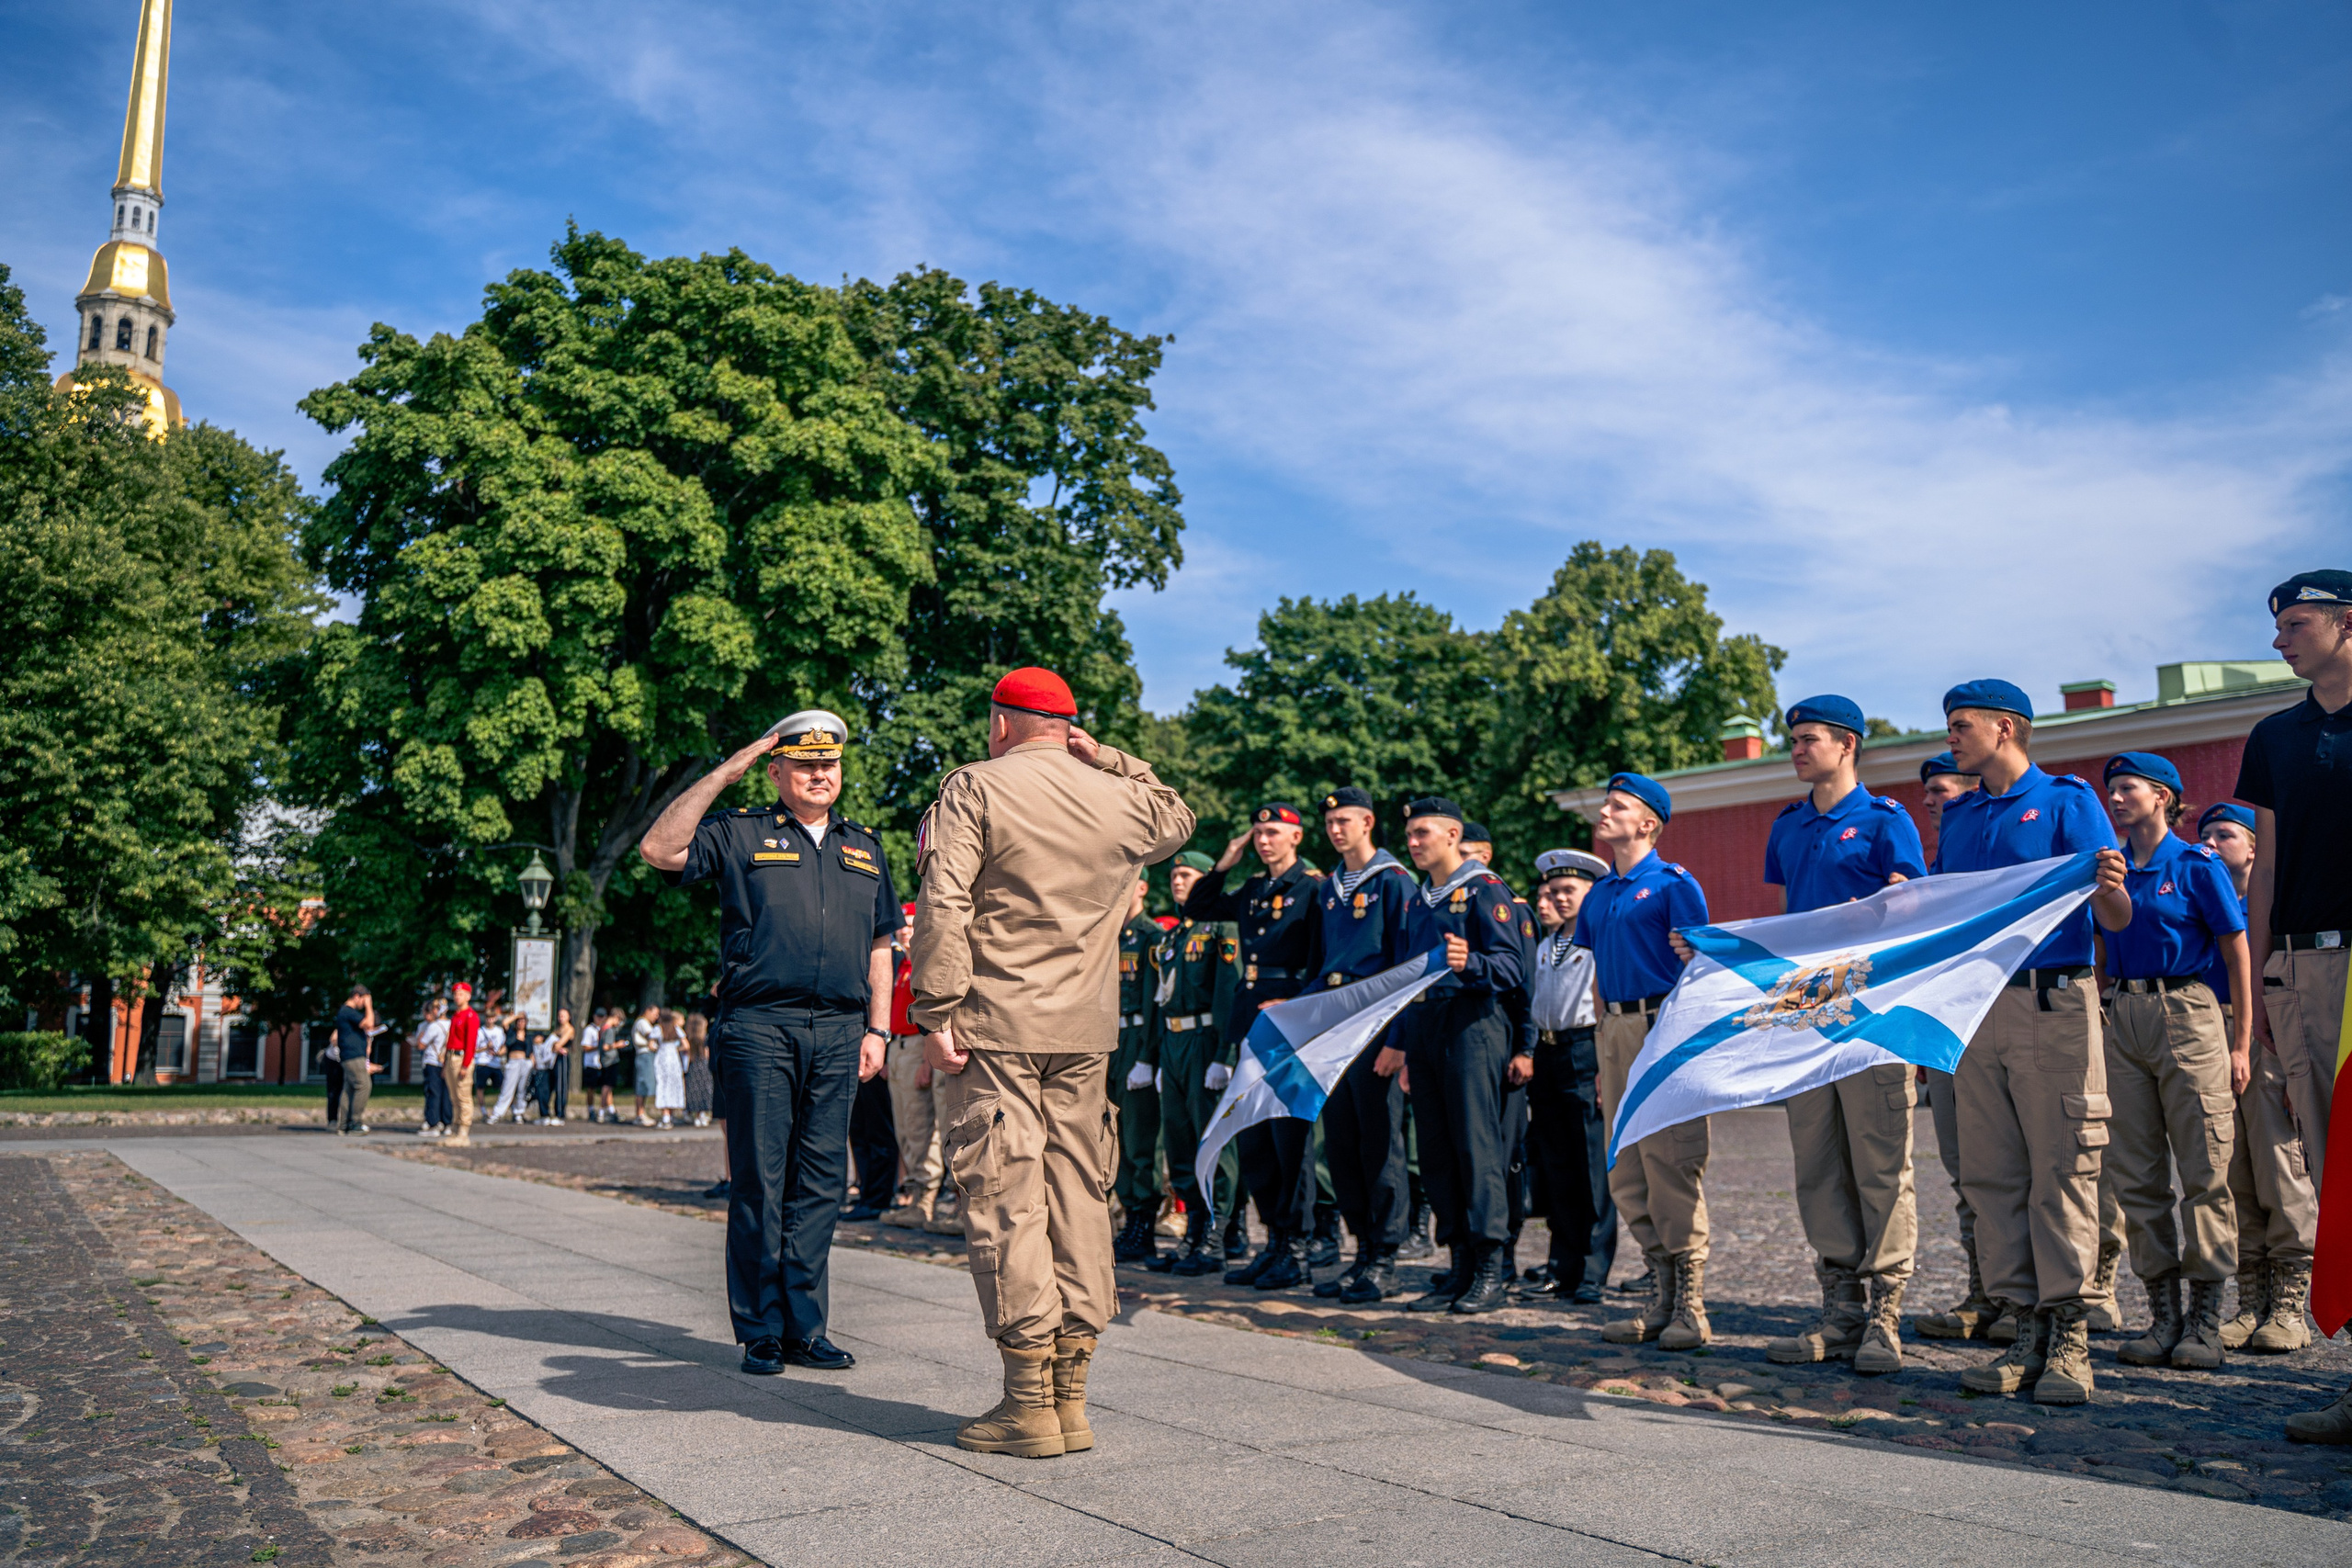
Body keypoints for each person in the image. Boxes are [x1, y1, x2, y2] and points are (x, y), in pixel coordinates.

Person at [909, 666, 1194, 1460]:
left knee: (1005, 1195)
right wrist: (1109, 758)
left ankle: (1027, 1402)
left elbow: (946, 901)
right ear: (1068, 726)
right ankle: (1072, 1398)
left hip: (996, 1022)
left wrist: (934, 1008)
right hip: (1086, 1029)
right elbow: (1178, 815)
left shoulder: (976, 785)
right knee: (1079, 1191)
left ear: (1000, 722)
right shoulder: (1121, 797)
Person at [637, 707, 896, 1376]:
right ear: (776, 769)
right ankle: (759, 1329)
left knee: (821, 1182)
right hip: (759, 1025)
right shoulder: (740, 831)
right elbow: (660, 851)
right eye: (805, 763)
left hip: (840, 1030)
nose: (820, 774)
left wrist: (879, 1028)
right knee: (761, 1179)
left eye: (830, 764)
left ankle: (806, 1327)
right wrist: (726, 771)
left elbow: (880, 946)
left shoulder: (865, 846)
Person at [1930, 679, 2120, 1406]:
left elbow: (2118, 915)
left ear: (2005, 728)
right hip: (1980, 1009)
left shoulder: (2068, 802)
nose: (1950, 738)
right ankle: (2024, 1329)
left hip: (2054, 1001)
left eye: (1960, 725)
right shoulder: (1962, 815)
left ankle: (2070, 1333)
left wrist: (2107, 886)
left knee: (2063, 1168)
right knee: (1993, 1175)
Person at [1733, 696, 1929, 1373]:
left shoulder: (1885, 820)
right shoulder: (1786, 827)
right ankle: (1839, 1310)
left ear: (1847, 744)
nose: (1795, 748)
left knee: (1881, 1164)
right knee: (1818, 1166)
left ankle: (1886, 1314)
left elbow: (1912, 907)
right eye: (1792, 739)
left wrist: (1878, 910)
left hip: (1872, 1015)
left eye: (1807, 738)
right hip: (1807, 1020)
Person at [2237, 570, 2352, 1445]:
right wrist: (2266, 985)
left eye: (2299, 622)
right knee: (2334, 1169)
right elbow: (2265, 867)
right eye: (2278, 625)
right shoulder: (2274, 736)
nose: (2281, 638)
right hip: (2305, 971)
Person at [2089, 751, 2249, 1372]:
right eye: (2113, 789)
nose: (2118, 797)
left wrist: (2239, 1042)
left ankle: (2206, 1320)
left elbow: (2235, 946)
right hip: (2123, 1016)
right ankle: (2164, 1316)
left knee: (2205, 1168)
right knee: (2139, 1175)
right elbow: (2103, 945)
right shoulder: (2110, 869)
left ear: (2163, 796)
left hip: (2188, 1011)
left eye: (2128, 787)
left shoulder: (2196, 864)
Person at [1578, 774, 1712, 1348]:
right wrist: (1603, 1039)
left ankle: (1691, 1305)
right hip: (1614, 1029)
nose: (1604, 812)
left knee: (1671, 1159)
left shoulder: (1673, 884)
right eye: (1606, 803)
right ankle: (1658, 1294)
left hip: (1663, 1026)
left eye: (1618, 806)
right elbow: (1594, 978)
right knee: (1626, 1166)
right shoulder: (1602, 893)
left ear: (1648, 824)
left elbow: (1701, 968)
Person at [1391, 797, 1531, 1316]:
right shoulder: (1419, 899)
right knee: (1436, 1151)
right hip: (1426, 1027)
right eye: (1409, 834)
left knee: (1476, 1148)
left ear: (1453, 835)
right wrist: (1405, 1047)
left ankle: (1491, 1267)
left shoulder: (1484, 890)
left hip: (1473, 1025)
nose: (1414, 842)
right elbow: (1408, 981)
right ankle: (1457, 1266)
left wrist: (1470, 961)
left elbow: (1512, 967)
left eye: (1423, 832)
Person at [1181, 803, 1325, 1291]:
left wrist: (1298, 1002)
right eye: (1258, 833)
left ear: (1296, 838)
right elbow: (1197, 908)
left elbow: (1323, 963)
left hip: (1291, 1022)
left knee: (1290, 1140)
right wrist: (1225, 861)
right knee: (1254, 1137)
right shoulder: (1254, 890)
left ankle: (1298, 1247)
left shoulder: (1313, 888)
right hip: (1251, 1021)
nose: (1263, 841)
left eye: (1273, 833)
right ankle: (1275, 1242)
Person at [2198, 803, 2317, 1353]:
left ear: (2253, 848)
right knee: (2230, 1170)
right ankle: (2251, 1302)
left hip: (2267, 1031)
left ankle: (2291, 1305)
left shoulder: (2274, 900)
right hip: (2208, 1032)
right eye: (2206, 835)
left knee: (2280, 1164)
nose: (2213, 843)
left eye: (2226, 834)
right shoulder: (2199, 895)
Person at [1307, 786, 1419, 1303]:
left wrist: (1398, 1041)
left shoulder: (1394, 882)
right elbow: (1324, 966)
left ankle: (1386, 1255)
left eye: (1345, 820)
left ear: (1369, 822)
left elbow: (1407, 967)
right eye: (1330, 822)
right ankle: (1361, 1248)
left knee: (1381, 1144)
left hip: (1376, 1027)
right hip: (1336, 1027)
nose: (1335, 829)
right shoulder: (1330, 888)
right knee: (1342, 1144)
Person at [1145, 852, 1239, 1276]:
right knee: (1180, 1141)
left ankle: (1217, 1235)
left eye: (1187, 874)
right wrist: (1159, 1057)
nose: (1178, 881)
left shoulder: (1220, 927)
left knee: (1212, 1142)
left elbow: (1229, 992)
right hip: (1174, 1042)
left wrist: (1226, 1055)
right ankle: (1193, 1229)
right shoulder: (1175, 935)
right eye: (1175, 874)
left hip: (1206, 1040)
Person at [1524, 849, 1611, 1302]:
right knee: (1557, 1167)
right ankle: (1562, 1266)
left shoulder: (1598, 940)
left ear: (1590, 894)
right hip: (1548, 1052)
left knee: (1591, 1166)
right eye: (1552, 891)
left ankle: (1594, 1270)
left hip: (1583, 1049)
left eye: (1567, 891)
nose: (1557, 899)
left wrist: (1600, 1063)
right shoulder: (1546, 944)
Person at [883, 905, 952, 1228]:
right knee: (906, 1128)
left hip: (917, 1045)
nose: (906, 931)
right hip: (897, 1045)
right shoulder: (902, 965)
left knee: (926, 1126)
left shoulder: (925, 963)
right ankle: (917, 1197)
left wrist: (927, 1059)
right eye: (903, 926)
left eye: (911, 925)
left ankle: (927, 1200)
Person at [1110, 874, 1166, 1262]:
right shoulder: (1109, 934)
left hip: (1136, 1041)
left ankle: (1144, 1223)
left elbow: (1152, 1002)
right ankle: (1129, 1216)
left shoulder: (1150, 936)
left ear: (1142, 887)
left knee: (1140, 1137)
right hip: (1110, 1041)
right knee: (1117, 1140)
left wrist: (1147, 1057)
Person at [332, 986, 379, 1136]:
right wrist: (369, 1005)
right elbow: (369, 1023)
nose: (363, 1004)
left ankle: (343, 1125)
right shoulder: (348, 1011)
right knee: (364, 1085)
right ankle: (355, 1123)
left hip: (350, 1055)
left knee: (349, 1089)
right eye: (363, 1000)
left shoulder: (345, 1012)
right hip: (353, 1056)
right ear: (357, 996)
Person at [444, 984, 481, 1146]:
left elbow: (471, 1043)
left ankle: (464, 1132)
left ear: (468, 996)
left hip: (461, 1058)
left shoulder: (470, 1016)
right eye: (456, 994)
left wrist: (466, 1065)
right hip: (452, 1057)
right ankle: (456, 1128)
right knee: (454, 1097)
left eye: (461, 994)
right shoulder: (456, 1016)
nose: (457, 997)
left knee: (463, 1096)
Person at [414, 999, 452, 1137]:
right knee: (446, 1093)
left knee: (433, 1093)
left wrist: (421, 1036)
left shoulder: (433, 1026)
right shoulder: (452, 1024)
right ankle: (447, 1122)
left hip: (433, 1062)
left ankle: (433, 1123)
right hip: (448, 1063)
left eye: (436, 1009)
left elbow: (421, 1045)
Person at [652, 1009, 688, 1129]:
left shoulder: (658, 1028)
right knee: (673, 1085)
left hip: (662, 1058)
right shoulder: (676, 1028)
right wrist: (675, 1049)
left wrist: (658, 1048)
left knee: (663, 1085)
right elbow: (686, 1045)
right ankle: (671, 1115)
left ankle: (665, 1117)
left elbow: (651, 1044)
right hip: (674, 1059)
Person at [684, 1009, 716, 1129]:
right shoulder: (705, 1039)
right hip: (704, 1066)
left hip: (692, 1067)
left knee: (693, 1090)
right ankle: (701, 1114)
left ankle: (693, 1114)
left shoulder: (689, 1038)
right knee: (705, 1090)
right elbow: (707, 1054)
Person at [631, 1003, 662, 1126]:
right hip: (644, 1055)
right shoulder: (642, 1023)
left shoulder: (644, 1023)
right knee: (642, 1084)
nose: (656, 1017)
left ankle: (642, 1113)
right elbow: (652, 1036)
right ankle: (640, 1114)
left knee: (645, 1084)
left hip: (646, 1055)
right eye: (655, 1014)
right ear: (648, 1011)